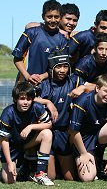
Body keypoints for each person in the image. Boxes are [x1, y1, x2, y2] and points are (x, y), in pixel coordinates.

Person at [34, 50, 86, 180]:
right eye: (58, 66)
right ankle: (31, 170)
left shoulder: (75, 80)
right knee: (50, 176)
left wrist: (83, 88)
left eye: (65, 66)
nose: (62, 70)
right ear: (52, 67)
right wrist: (47, 102)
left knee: (71, 178)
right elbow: (29, 98)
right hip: (48, 132)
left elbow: (98, 87)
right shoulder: (44, 84)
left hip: (65, 133)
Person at [68, 74, 107, 182]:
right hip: (82, 139)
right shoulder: (82, 101)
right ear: (97, 88)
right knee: (87, 177)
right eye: (106, 91)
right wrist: (83, 154)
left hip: (99, 135)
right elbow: (73, 131)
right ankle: (92, 159)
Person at [0, 82, 54, 185]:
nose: (26, 102)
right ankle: (15, 168)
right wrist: (9, 162)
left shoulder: (37, 107)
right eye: (22, 99)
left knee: (47, 133)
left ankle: (40, 174)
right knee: (9, 181)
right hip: (12, 147)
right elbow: (4, 140)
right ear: (15, 99)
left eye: (29, 99)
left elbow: (49, 124)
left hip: (27, 144)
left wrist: (31, 126)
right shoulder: (7, 113)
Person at [12, 0, 67, 85]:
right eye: (49, 17)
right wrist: (28, 76)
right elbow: (17, 58)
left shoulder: (62, 40)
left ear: (60, 17)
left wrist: (42, 77)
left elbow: (59, 67)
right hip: (25, 84)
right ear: (43, 17)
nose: (53, 20)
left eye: (56, 17)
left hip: (48, 85)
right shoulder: (31, 33)